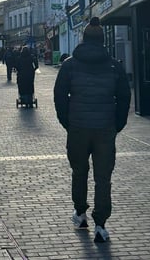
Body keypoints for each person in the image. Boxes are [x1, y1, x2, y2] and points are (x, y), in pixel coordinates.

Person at [53, 17, 131, 243]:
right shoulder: (114, 65)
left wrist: (67, 120)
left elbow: (59, 95)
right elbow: (124, 97)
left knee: (79, 172)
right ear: (102, 40)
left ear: (83, 38)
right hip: (105, 128)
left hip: (78, 127)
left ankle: (80, 213)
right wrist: (118, 123)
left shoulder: (70, 65)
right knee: (103, 178)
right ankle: (101, 224)